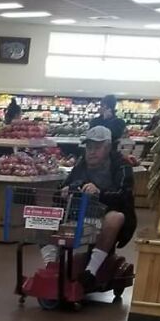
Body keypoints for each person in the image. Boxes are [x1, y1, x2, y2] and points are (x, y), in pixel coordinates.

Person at [63, 125, 136, 291]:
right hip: (83, 214)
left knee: (114, 218)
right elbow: (66, 185)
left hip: (113, 216)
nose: (91, 152)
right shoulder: (81, 164)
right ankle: (52, 265)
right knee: (48, 218)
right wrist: (66, 190)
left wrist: (100, 192)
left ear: (108, 147)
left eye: (97, 147)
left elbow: (123, 195)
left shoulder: (122, 166)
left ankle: (91, 272)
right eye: (89, 147)